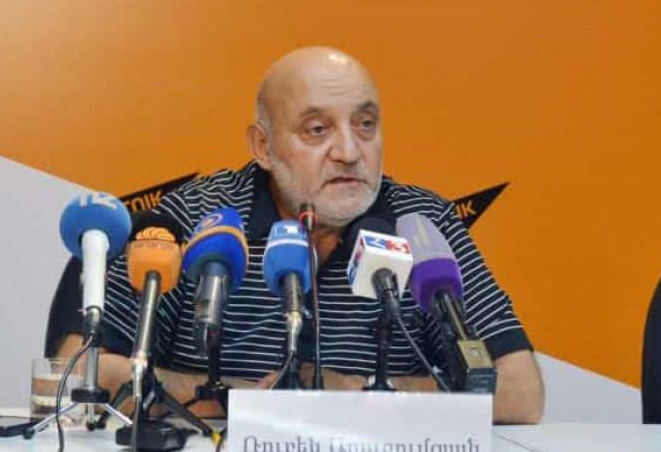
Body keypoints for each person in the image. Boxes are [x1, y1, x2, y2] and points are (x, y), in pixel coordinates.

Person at [55, 47, 544, 424]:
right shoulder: (198, 218)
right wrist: (250, 401)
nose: (349, 151)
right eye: (317, 129)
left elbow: (520, 393)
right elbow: (78, 372)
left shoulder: (421, 223)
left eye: (365, 125)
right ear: (263, 147)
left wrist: (356, 395)